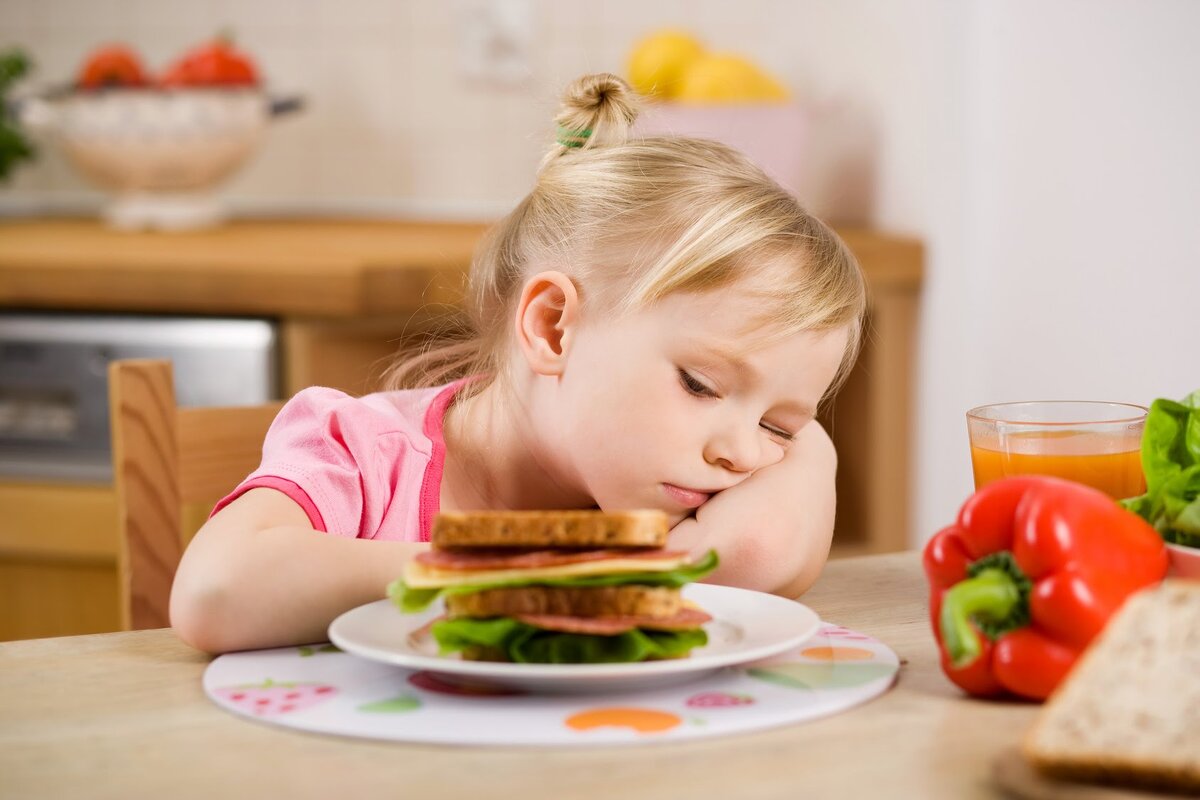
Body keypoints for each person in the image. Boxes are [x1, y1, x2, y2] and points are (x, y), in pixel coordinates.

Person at [171, 73, 867, 653]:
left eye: (779, 424)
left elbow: (750, 556)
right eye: (701, 384)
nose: (743, 453)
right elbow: (215, 592)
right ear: (554, 328)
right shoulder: (361, 454)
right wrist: (537, 569)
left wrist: (792, 443)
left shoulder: (698, 480)